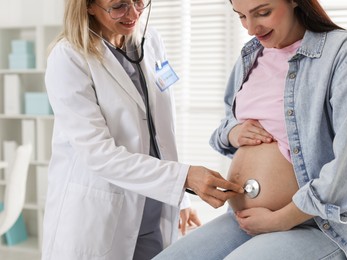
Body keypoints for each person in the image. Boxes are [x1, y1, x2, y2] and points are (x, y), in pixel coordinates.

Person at [153, 0, 347, 259]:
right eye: (241, 16)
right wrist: (233, 132)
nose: (251, 28)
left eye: (263, 13)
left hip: (319, 224)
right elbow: (227, 126)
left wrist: (281, 219)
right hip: (246, 220)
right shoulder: (251, 56)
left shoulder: (345, 52)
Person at [41, 0, 244, 259]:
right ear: (89, 6)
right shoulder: (69, 57)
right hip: (99, 216)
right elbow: (98, 154)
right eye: (119, 6)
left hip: (153, 209)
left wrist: (180, 199)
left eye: (139, 2)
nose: (134, 13)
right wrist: (184, 178)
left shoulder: (151, 41)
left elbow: (162, 131)